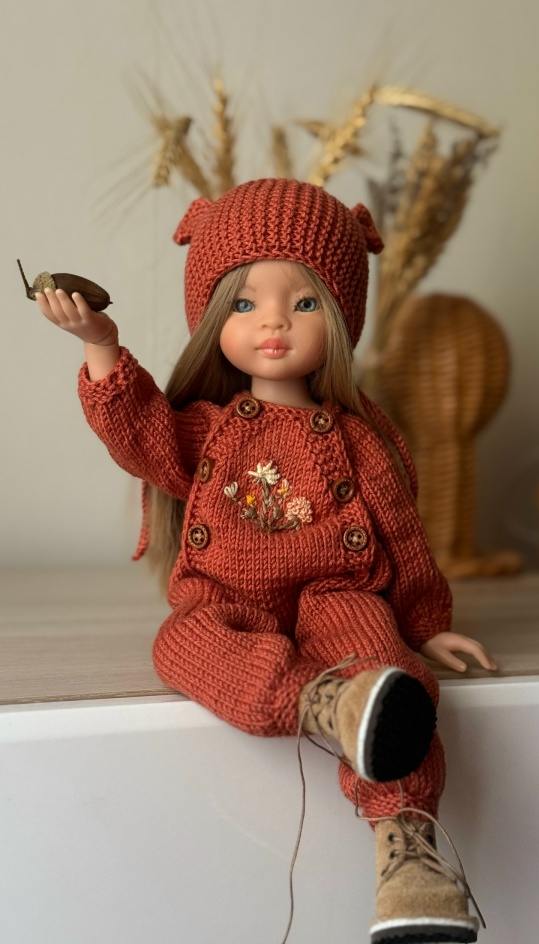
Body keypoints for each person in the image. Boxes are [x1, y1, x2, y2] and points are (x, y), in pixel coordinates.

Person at [35, 178, 496, 944]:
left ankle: (410, 854)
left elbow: (403, 538)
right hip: (229, 600)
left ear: (341, 320)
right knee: (181, 641)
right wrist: (101, 345)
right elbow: (140, 435)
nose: (274, 322)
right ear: (213, 317)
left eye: (304, 302)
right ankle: (328, 704)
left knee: (386, 664)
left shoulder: (356, 439)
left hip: (336, 592)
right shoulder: (209, 430)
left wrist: (425, 623)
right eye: (245, 303)